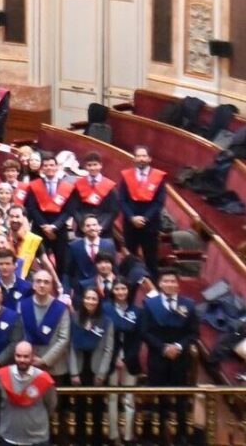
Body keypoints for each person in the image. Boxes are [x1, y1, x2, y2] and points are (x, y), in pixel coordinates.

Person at [140, 268, 197, 446]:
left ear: (178, 284)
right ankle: (158, 435)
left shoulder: (188, 304)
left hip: (180, 358)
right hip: (158, 357)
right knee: (159, 396)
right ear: (160, 283)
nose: (170, 284)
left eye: (173, 281)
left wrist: (178, 346)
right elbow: (145, 332)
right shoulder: (150, 304)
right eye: (166, 281)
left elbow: (193, 333)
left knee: (181, 398)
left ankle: (181, 436)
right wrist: (163, 348)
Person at [69, 287, 114, 446]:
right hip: (80, 370)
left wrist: (102, 373)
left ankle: (97, 441)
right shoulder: (74, 318)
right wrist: (74, 372)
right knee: (80, 410)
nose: (90, 301)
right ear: (83, 300)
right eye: (87, 298)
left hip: (97, 371)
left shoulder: (106, 321)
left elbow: (108, 349)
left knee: (97, 410)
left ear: (98, 301)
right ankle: (80, 441)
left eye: (94, 298)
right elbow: (71, 347)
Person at [0, 341, 57, 446]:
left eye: (26, 356)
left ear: (32, 357)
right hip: (8, 439)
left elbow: (51, 406)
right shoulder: (0, 377)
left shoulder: (44, 379)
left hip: (37, 440)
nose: (22, 360)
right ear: (14, 356)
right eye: (18, 356)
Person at [119, 145, 167, 278]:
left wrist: (145, 218)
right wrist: (132, 218)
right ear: (134, 159)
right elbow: (122, 200)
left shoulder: (158, 177)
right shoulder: (126, 176)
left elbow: (159, 202)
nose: (141, 159)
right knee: (130, 259)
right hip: (130, 225)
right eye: (138, 156)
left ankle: (153, 291)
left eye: (144, 156)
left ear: (150, 158)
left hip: (150, 225)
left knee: (151, 260)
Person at [105, 279, 141, 446]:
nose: (120, 292)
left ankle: (127, 436)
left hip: (130, 360)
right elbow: (105, 338)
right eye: (117, 289)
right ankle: (114, 436)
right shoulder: (106, 309)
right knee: (112, 398)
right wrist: (115, 358)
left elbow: (138, 339)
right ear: (113, 291)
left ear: (128, 290)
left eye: (123, 288)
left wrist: (126, 358)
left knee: (129, 399)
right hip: (110, 360)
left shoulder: (137, 311)